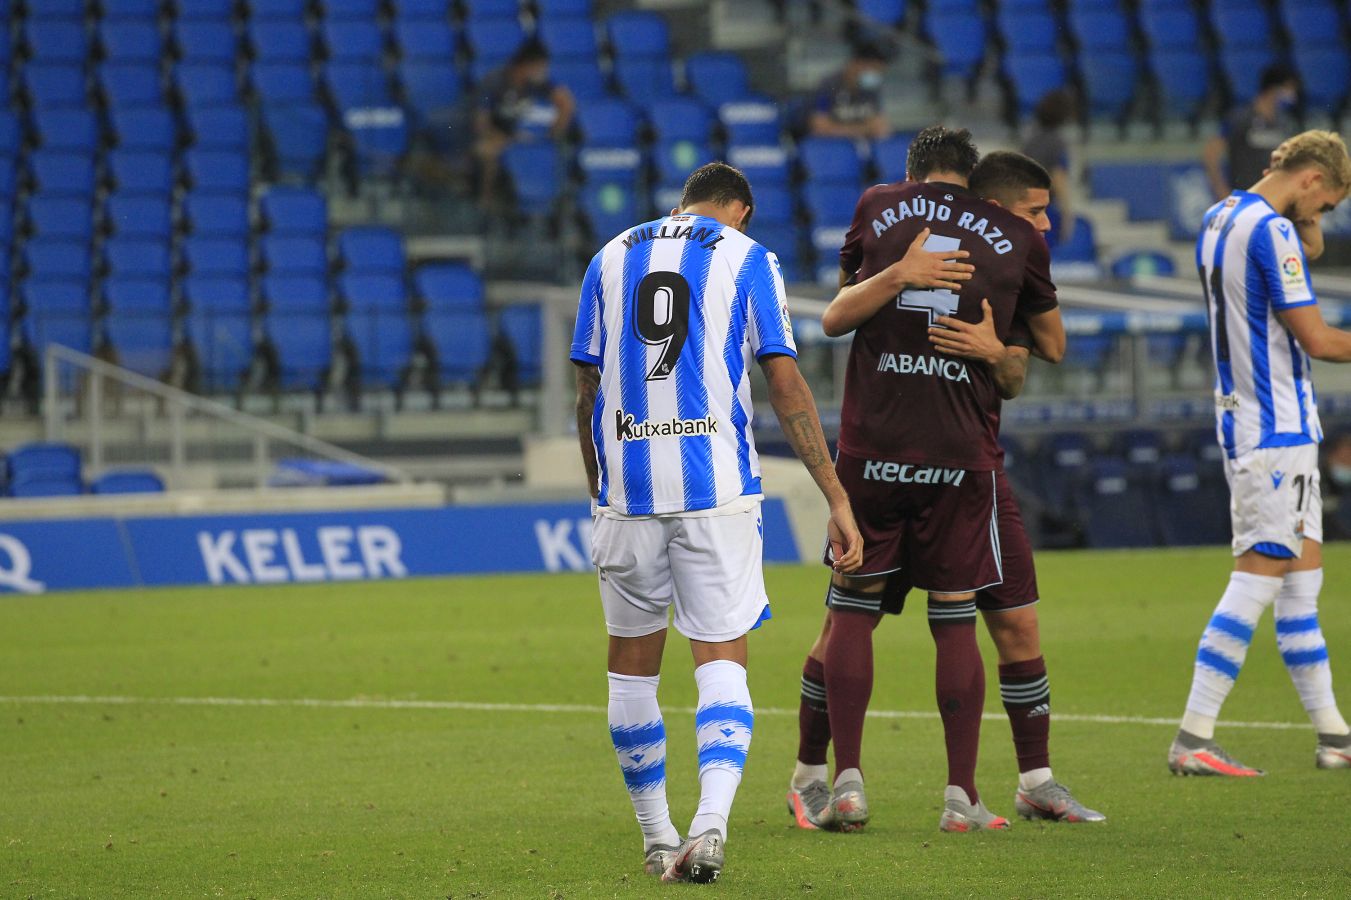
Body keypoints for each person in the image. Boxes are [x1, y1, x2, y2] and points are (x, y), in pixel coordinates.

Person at [788, 147, 1101, 833]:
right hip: (951, 459)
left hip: (948, 460)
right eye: (1036, 211)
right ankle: (824, 775)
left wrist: (991, 350)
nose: (1044, 226)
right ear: (990, 197)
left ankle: (1032, 780)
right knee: (909, 612)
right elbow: (840, 310)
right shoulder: (994, 240)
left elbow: (1030, 359)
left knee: (1003, 618)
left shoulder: (889, 212)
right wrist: (901, 276)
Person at [571, 162, 864, 883]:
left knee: (630, 671)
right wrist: (833, 493)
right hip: (715, 491)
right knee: (720, 660)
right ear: (739, 210)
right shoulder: (746, 255)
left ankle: (656, 836)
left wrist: (598, 490)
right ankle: (709, 826)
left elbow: (585, 389)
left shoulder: (607, 256)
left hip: (626, 496)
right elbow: (784, 380)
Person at [1168, 130, 1351, 776]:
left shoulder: (1220, 216)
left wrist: (1308, 229)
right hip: (1271, 428)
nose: (1319, 217)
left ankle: (1334, 734)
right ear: (1308, 181)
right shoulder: (1270, 233)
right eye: (1324, 203)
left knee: (1302, 583)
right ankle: (1193, 735)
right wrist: (1303, 231)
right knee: (1255, 579)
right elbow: (1319, 340)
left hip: (1260, 423)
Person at [474, 39, 575, 206]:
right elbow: (480, 123)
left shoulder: (538, 84)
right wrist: (506, 138)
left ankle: (548, 206)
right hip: (496, 137)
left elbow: (566, 103)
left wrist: (551, 134)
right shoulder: (495, 82)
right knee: (488, 153)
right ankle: (486, 206)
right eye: (540, 67)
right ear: (526, 65)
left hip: (527, 138)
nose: (543, 72)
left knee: (549, 154)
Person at [1202, 64, 1300, 202]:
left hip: (1273, 200)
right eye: (1288, 89)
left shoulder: (1284, 123)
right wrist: (1222, 191)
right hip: (1243, 199)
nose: (1292, 95)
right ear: (1273, 89)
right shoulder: (1240, 119)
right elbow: (1211, 153)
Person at [1020, 89, 1076, 245]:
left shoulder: (1030, 141)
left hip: (1025, 208)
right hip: (1046, 209)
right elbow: (1059, 179)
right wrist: (1067, 215)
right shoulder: (1057, 143)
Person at [808, 44, 891, 141]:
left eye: (879, 72)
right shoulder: (829, 86)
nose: (875, 75)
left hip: (861, 148)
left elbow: (881, 127)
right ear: (856, 64)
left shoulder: (871, 89)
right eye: (873, 70)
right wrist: (865, 129)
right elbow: (820, 127)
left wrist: (840, 129)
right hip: (830, 148)